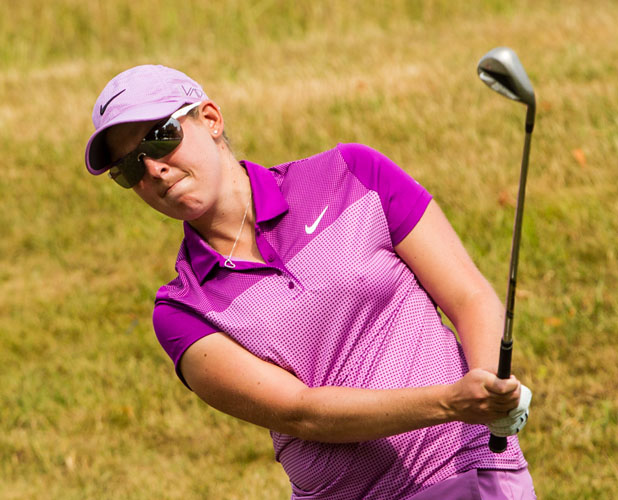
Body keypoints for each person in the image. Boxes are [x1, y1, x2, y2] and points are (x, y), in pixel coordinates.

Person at [84, 64, 536, 499]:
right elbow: (302, 412)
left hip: (467, 470)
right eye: (129, 167)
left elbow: (469, 296)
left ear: (211, 119)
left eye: (161, 138)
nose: (152, 170)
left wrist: (490, 392)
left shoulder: (353, 172)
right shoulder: (182, 312)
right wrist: (451, 402)